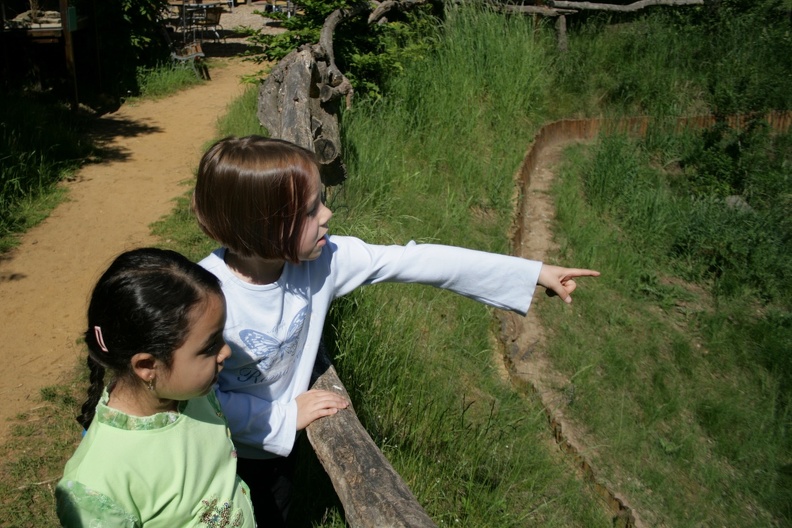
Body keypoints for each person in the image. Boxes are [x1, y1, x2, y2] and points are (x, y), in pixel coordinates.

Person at [192, 135, 600, 526]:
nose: (328, 215)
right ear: (264, 228)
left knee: (274, 511)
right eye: (311, 211)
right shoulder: (202, 299)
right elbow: (196, 400)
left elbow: (418, 262)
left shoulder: (323, 261)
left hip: (277, 452)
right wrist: (282, 417)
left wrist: (532, 273)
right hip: (218, 454)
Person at [55, 248, 256, 527]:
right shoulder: (94, 488)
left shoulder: (187, 393)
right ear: (147, 366)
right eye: (210, 346)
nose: (226, 352)